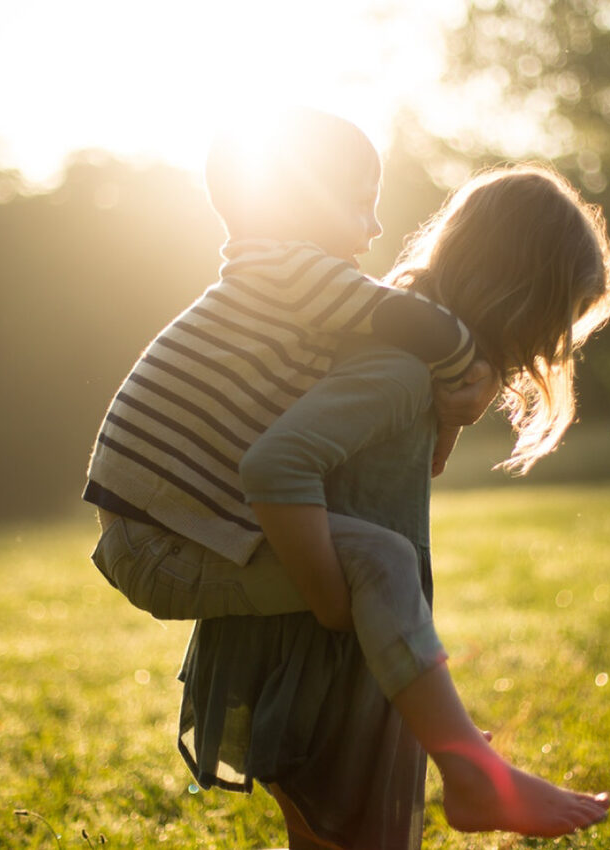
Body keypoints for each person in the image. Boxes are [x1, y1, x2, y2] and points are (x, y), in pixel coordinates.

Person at [178, 163, 610, 849]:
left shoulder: (414, 358)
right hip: (322, 641)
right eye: (556, 320)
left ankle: (469, 770)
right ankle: (475, 777)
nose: (550, 345)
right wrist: (331, 602)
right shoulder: (400, 368)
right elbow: (276, 465)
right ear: (519, 297)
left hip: (337, 636)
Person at [83, 107, 494, 774]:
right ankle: (459, 759)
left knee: (371, 559)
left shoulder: (275, 282)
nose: (378, 227)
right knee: (380, 563)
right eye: (364, 205)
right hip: (161, 543)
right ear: (304, 203)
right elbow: (420, 325)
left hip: (156, 534)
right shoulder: (291, 272)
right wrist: (467, 376)